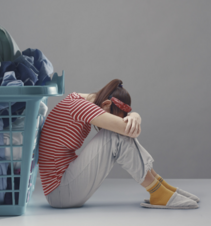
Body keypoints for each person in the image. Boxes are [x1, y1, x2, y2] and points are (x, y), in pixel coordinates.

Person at [39, 79, 200, 209]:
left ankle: (162, 188)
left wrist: (132, 117)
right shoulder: (80, 107)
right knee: (114, 134)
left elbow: (128, 129)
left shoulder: (78, 101)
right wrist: (135, 117)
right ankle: (158, 192)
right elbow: (131, 131)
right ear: (106, 105)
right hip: (60, 192)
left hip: (66, 182)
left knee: (117, 132)